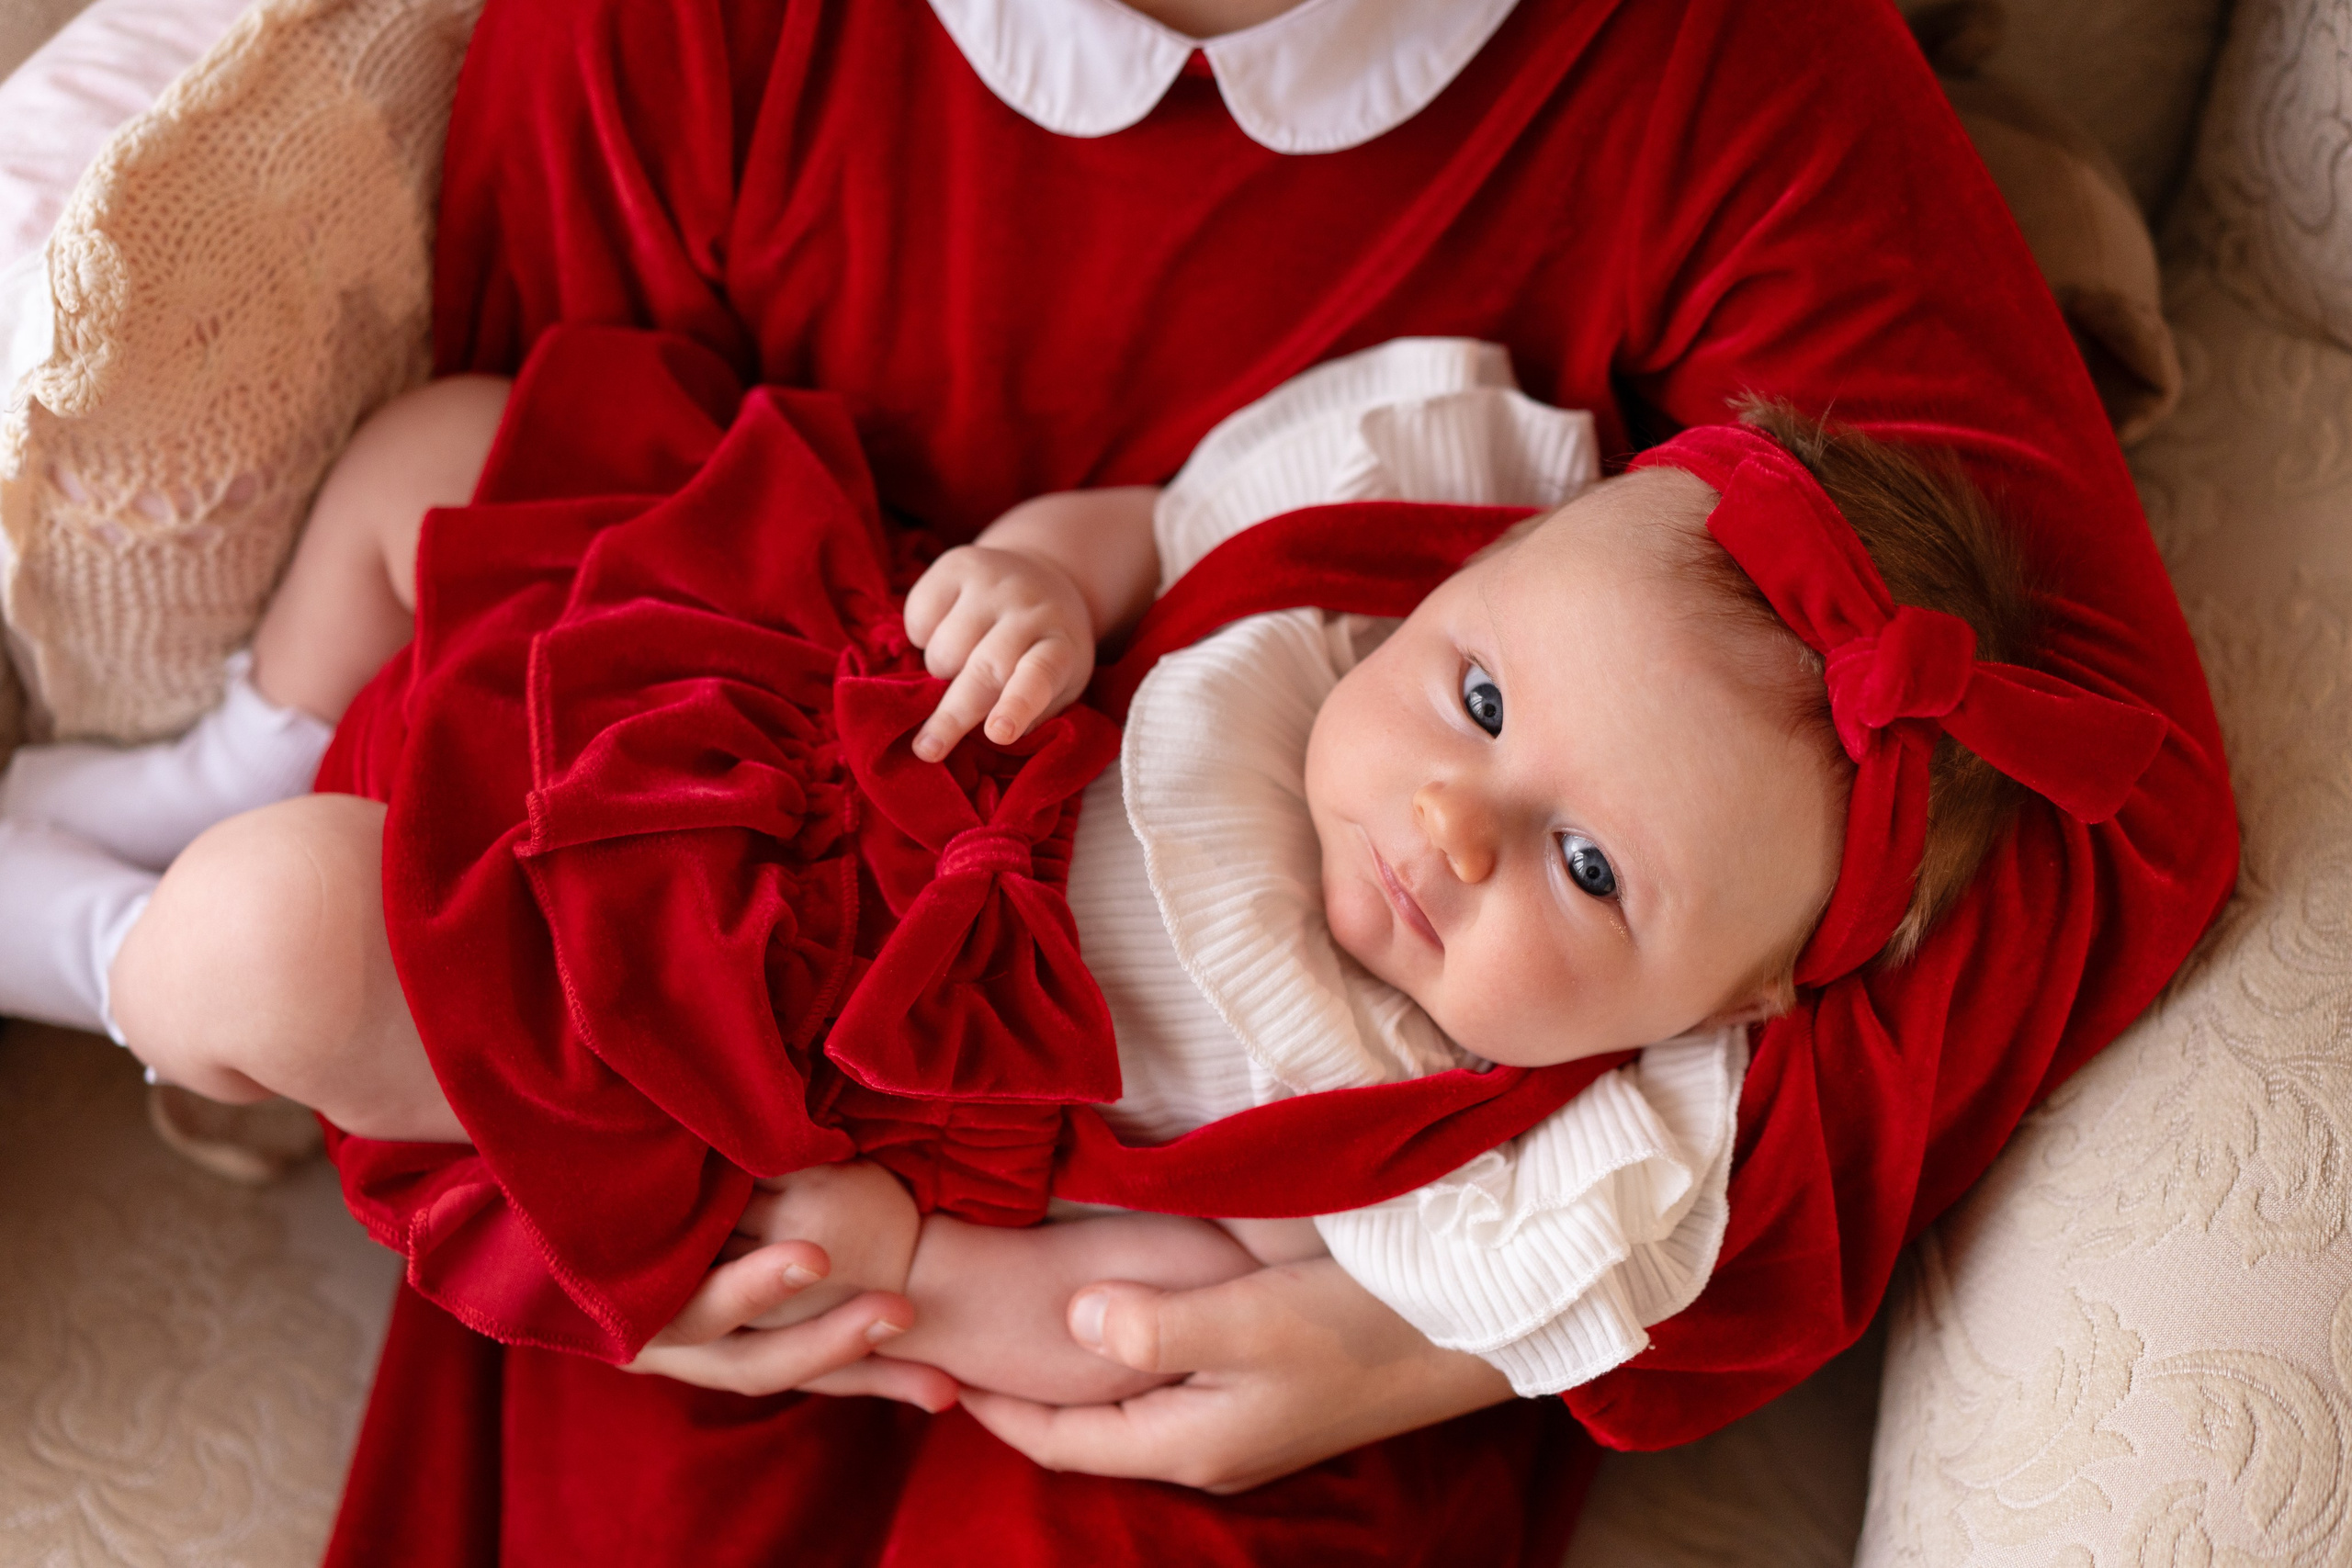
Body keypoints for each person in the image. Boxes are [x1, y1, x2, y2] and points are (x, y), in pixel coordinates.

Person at [5, 0, 2245, 1557]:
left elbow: (2079, 800)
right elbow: (564, 619)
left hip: (1221, 1237)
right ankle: (177, 852)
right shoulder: (697, 51)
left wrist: (1401, 1331)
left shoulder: (1715, 92)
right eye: (1466, 708)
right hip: (744, 962)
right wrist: (621, 1171)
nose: (1462, 803)